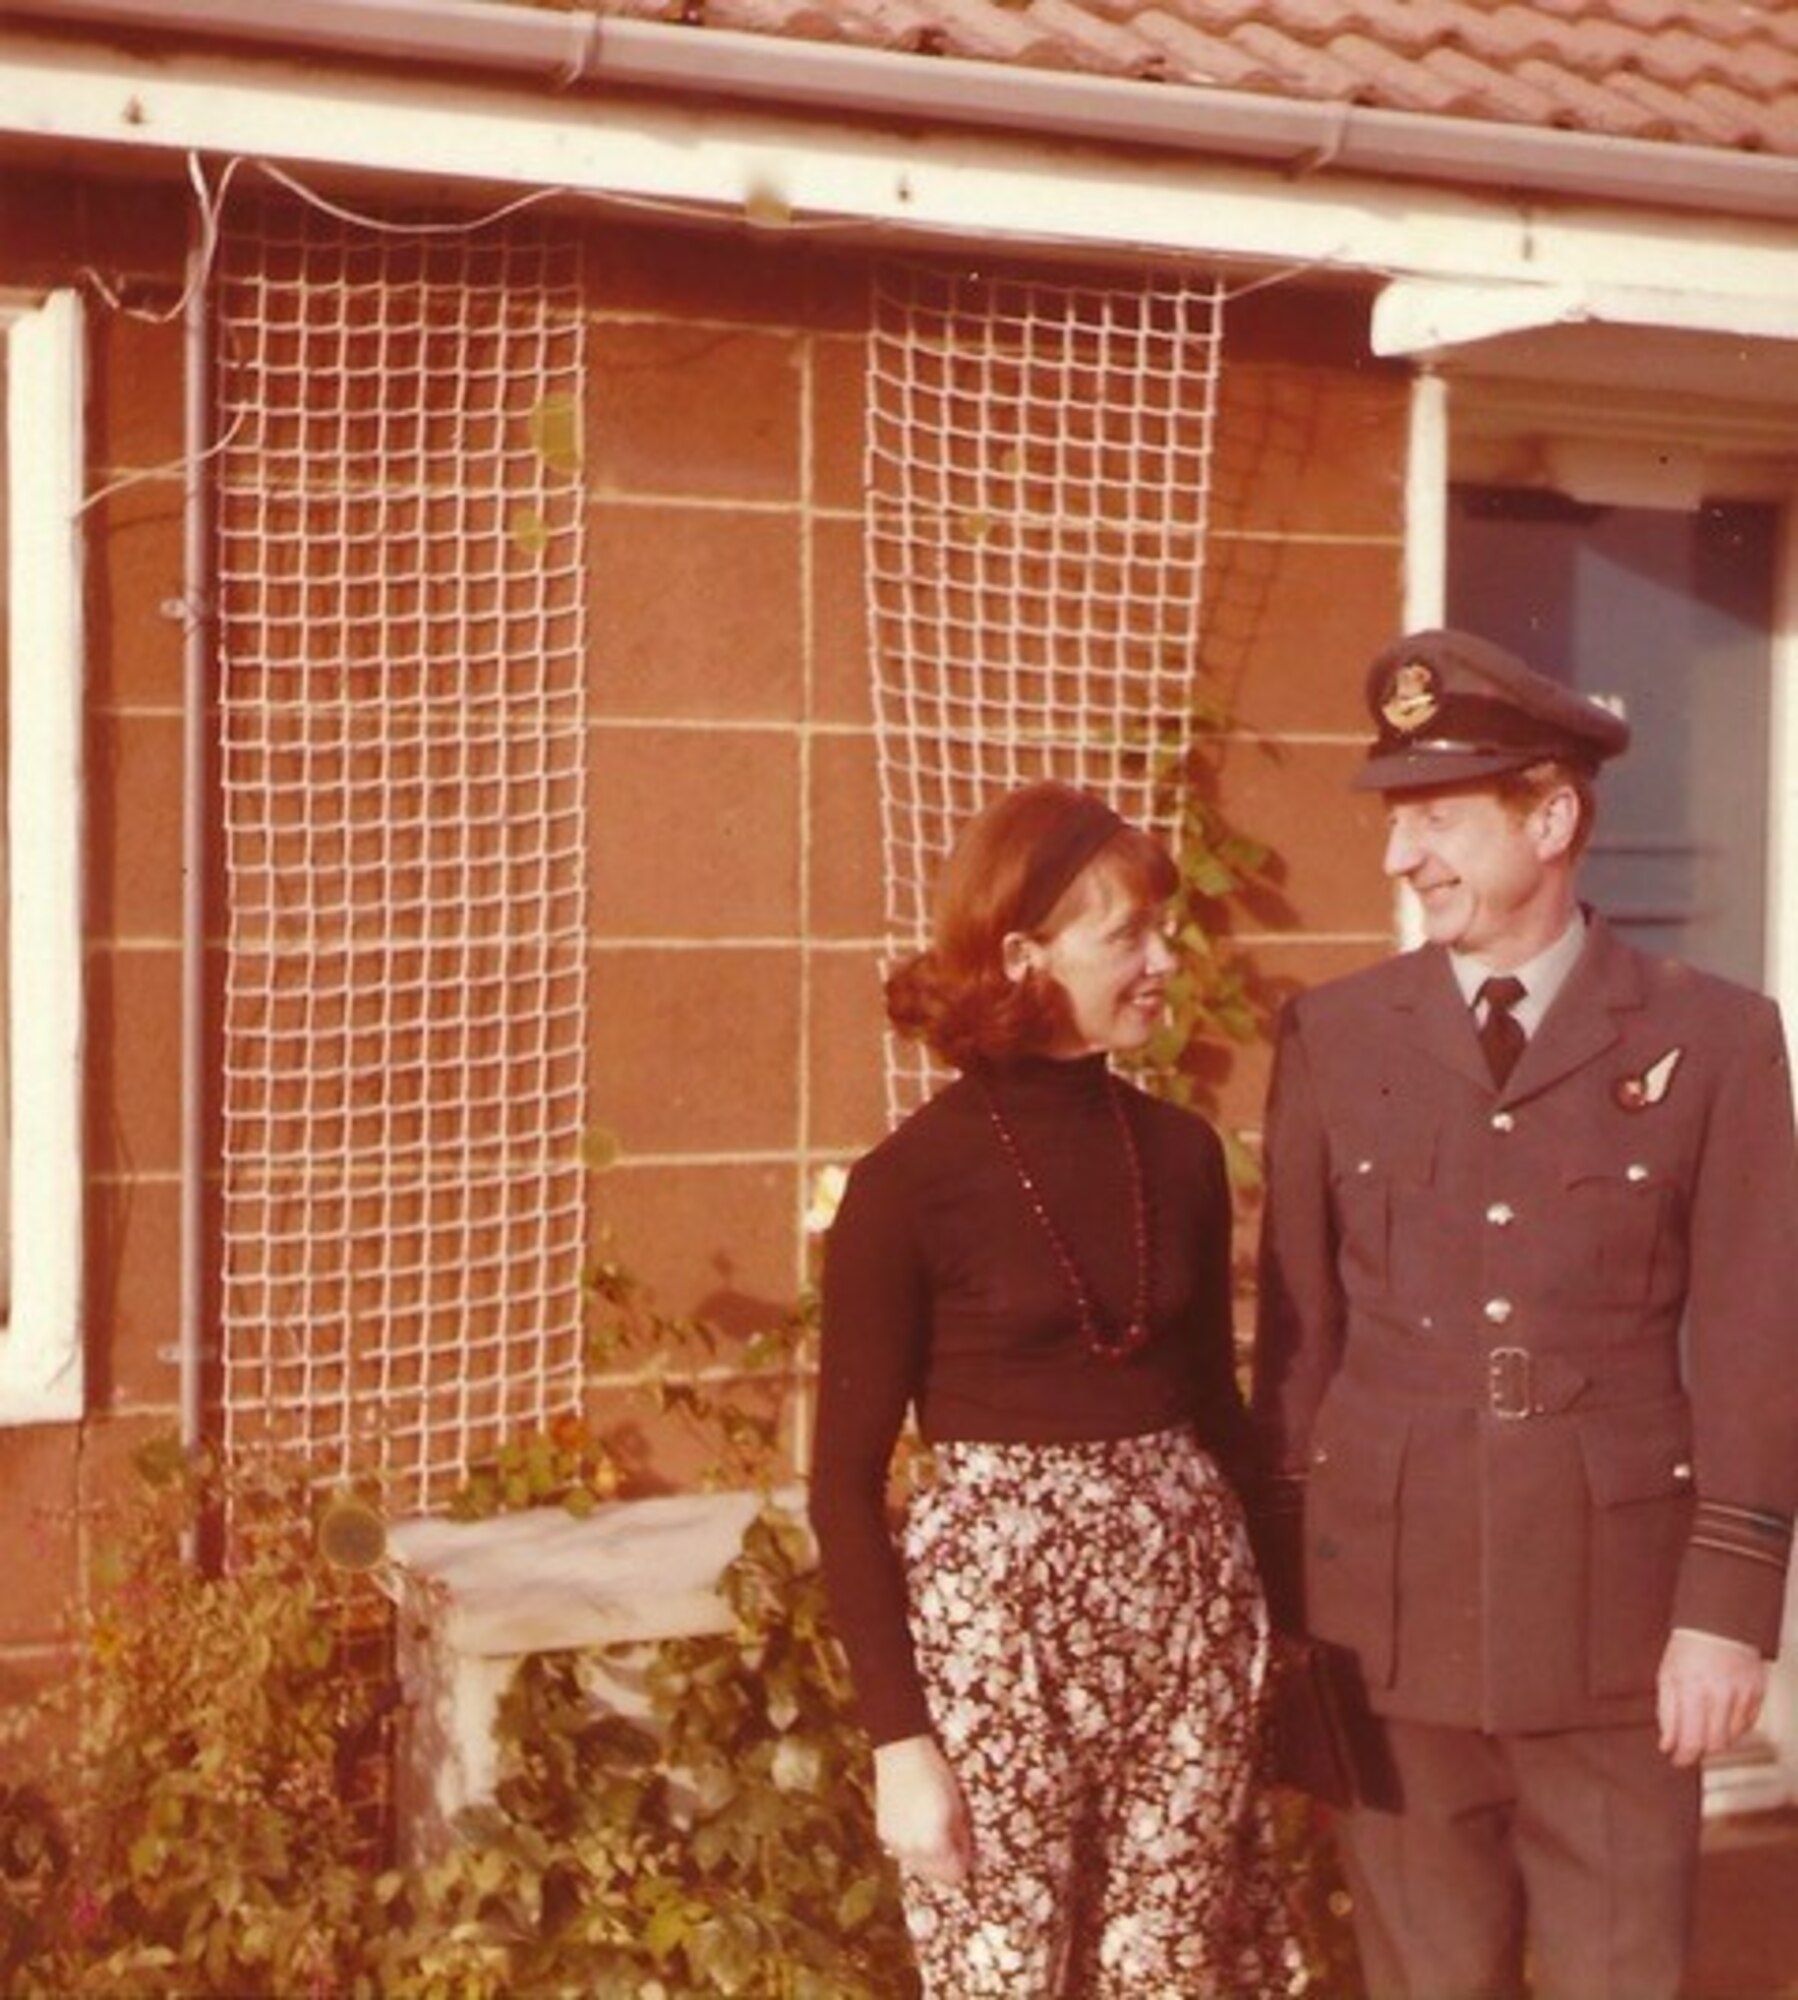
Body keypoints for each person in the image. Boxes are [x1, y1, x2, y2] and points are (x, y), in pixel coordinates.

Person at [1252, 627, 1798, 1999]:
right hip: (1386, 1625)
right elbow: (1297, 1345)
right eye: (1395, 822)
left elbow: (1754, 1337)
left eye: (1434, 819)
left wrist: (1726, 1612)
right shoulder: (1335, 1036)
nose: (1399, 858)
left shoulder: (1712, 1037)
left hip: (1614, 1628)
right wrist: (1281, 1614)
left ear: (1548, 817)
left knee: (1621, 1977)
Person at [808, 780, 1304, 1999]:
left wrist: (1286, 1631)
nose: (1160, 957)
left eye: (1160, 928)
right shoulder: (905, 1185)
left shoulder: (1180, 1153)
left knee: (1169, 1973)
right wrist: (900, 1743)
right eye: (1126, 934)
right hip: (1000, 1638)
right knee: (1003, 1973)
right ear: (1024, 954)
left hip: (1188, 1616)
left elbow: (1221, 1417)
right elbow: (839, 1482)